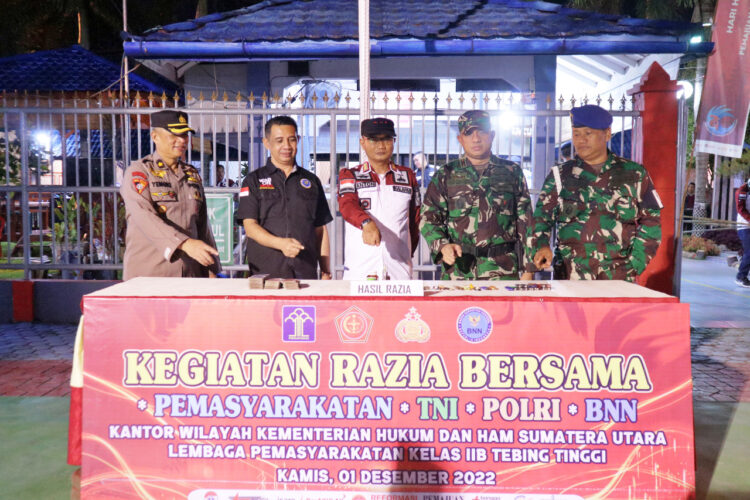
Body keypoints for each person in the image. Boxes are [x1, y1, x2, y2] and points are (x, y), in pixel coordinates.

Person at [524, 104, 662, 281]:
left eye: (588, 133)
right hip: (569, 276)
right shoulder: (560, 176)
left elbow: (651, 221)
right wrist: (542, 246)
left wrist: (634, 264)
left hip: (618, 278)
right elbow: (541, 220)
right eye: (576, 134)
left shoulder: (634, 174)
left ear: (607, 133)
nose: (581, 140)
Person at [420, 110, 532, 280]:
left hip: (503, 271)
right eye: (469, 133)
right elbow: (428, 217)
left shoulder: (511, 172)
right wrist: (442, 246)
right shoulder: (446, 174)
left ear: (492, 135)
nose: (476, 138)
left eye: (482, 132)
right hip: (458, 272)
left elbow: (526, 222)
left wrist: (529, 269)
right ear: (460, 139)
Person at [120, 109, 220, 280]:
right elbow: (144, 217)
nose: (181, 140)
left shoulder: (191, 174)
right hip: (150, 274)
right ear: (155, 137)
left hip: (190, 274)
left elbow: (202, 225)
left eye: (185, 135)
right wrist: (184, 243)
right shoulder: (139, 172)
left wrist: (212, 267)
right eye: (174, 135)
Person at [237, 115, 333, 279]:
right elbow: (250, 227)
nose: (286, 146)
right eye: (279, 140)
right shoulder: (253, 180)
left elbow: (320, 230)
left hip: (305, 273)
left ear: (298, 139)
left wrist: (325, 270)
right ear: (267, 143)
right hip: (266, 274)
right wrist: (280, 244)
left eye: (292, 140)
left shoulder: (311, 181)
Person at [338, 118, 421, 280]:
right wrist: (366, 223)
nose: (381, 146)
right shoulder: (350, 174)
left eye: (386, 139)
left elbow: (415, 220)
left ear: (394, 141)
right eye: (374, 140)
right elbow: (347, 205)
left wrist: (406, 252)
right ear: (363, 142)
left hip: (399, 267)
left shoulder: (407, 175)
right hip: (360, 268)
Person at [734, 178, 750, 288]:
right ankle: (741, 277)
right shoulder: (742, 191)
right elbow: (741, 209)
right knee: (749, 252)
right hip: (744, 225)